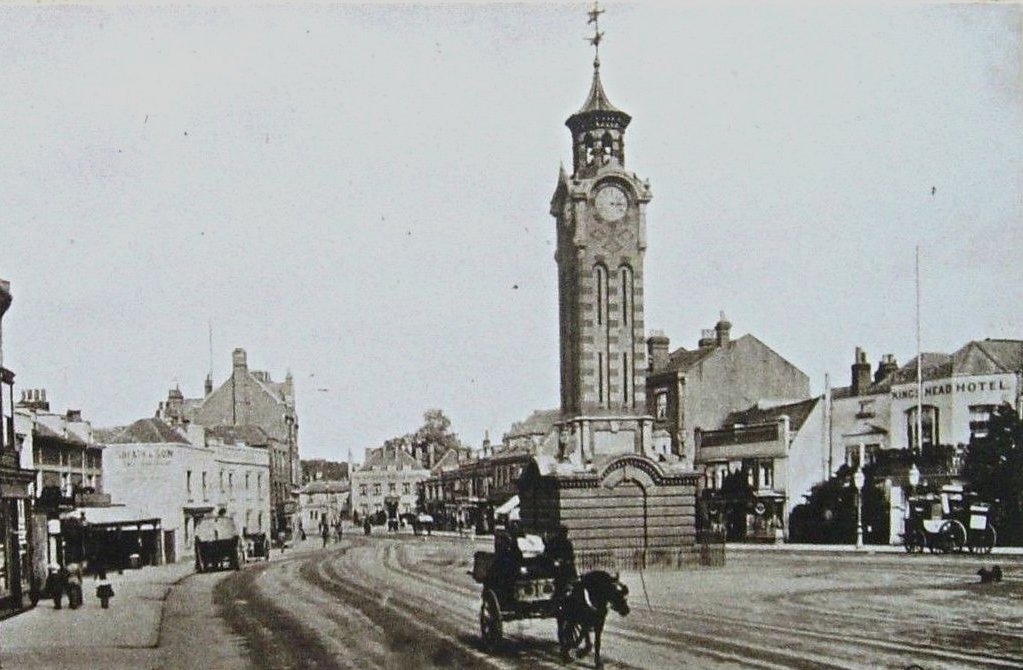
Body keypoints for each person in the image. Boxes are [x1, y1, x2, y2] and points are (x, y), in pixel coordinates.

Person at [545, 524, 577, 605]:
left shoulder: (567, 543)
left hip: (565, 567)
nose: (564, 534)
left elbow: (571, 556)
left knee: (568, 583)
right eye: (563, 532)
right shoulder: (553, 543)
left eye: (565, 533)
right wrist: (554, 560)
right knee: (557, 586)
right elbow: (548, 554)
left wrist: (568, 561)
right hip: (555, 568)